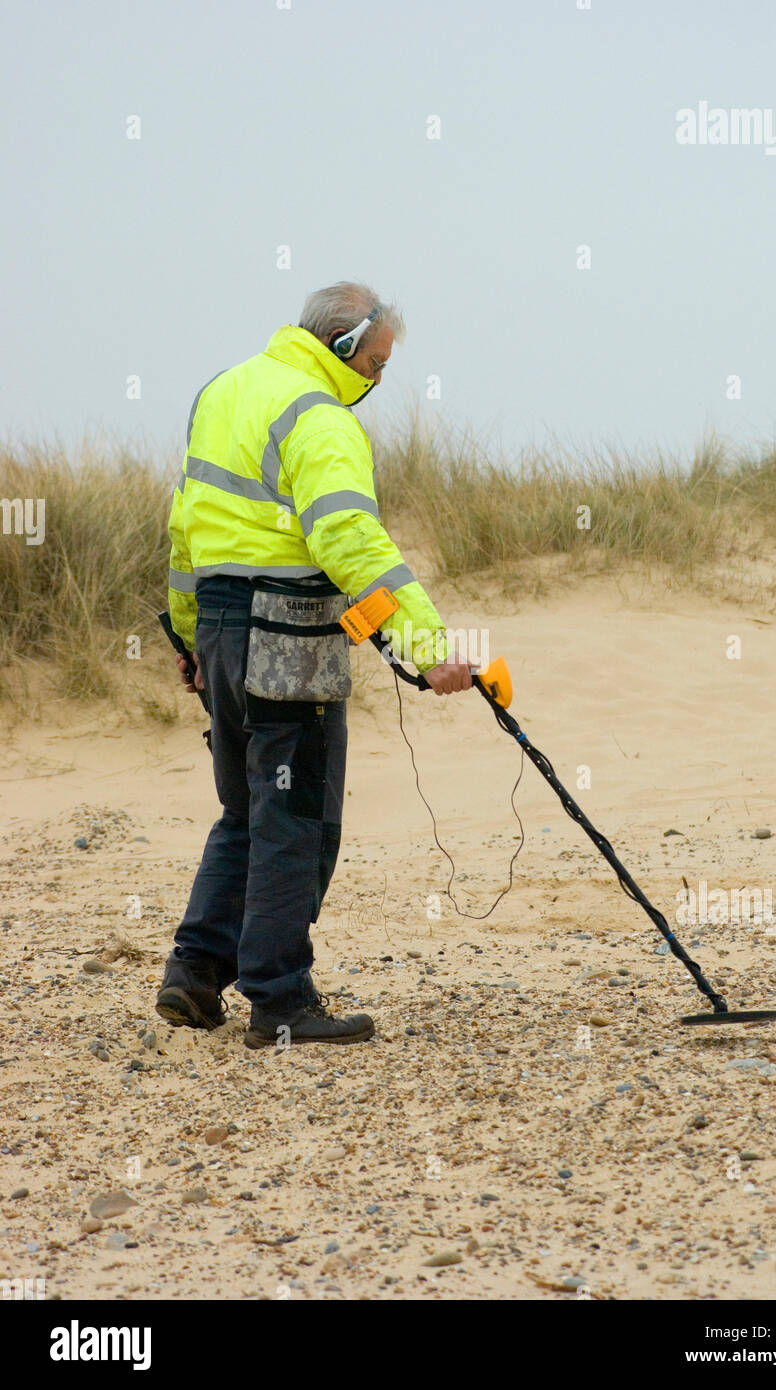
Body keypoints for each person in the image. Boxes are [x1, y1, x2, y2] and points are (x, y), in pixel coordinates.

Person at [155, 282, 471, 1048]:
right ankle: (281, 1001)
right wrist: (427, 650)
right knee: (297, 820)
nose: (378, 379)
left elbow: (185, 530)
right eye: (376, 362)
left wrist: (191, 643)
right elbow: (348, 540)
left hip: (224, 635)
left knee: (245, 814)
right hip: (287, 639)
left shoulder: (223, 391)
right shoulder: (318, 416)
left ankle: (195, 978)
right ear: (340, 345)